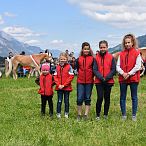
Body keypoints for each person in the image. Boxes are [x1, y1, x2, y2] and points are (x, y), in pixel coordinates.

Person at [116, 34, 141, 121]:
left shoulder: (137, 53)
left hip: (133, 78)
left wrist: (129, 74)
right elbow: (118, 66)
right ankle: (124, 115)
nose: (127, 44)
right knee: (122, 97)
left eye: (129, 42)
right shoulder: (121, 54)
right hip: (123, 79)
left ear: (132, 42)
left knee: (134, 97)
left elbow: (138, 66)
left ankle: (134, 115)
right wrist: (123, 73)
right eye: (125, 43)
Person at [93, 40, 116, 120]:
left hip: (108, 81)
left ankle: (105, 114)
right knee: (100, 97)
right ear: (99, 48)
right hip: (99, 81)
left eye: (104, 47)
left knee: (107, 97)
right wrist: (101, 78)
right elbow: (95, 69)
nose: (102, 49)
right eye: (101, 47)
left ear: (107, 47)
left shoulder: (111, 57)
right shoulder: (96, 58)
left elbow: (113, 69)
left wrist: (106, 78)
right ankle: (98, 115)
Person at [76, 42, 94, 120]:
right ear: (82, 50)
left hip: (89, 82)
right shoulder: (79, 59)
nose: (86, 50)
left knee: (87, 98)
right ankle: (79, 115)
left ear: (89, 49)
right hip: (80, 81)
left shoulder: (93, 59)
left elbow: (94, 70)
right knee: (79, 98)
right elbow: (77, 69)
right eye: (85, 49)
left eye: (87, 49)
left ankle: (86, 115)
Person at [54, 52, 74, 119]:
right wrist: (58, 84)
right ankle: (58, 113)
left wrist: (64, 85)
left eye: (64, 59)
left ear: (67, 59)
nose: (63, 60)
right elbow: (55, 76)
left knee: (66, 101)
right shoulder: (57, 67)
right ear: (59, 59)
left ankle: (66, 113)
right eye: (61, 59)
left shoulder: (69, 67)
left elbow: (71, 76)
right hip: (59, 87)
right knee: (59, 101)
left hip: (66, 88)